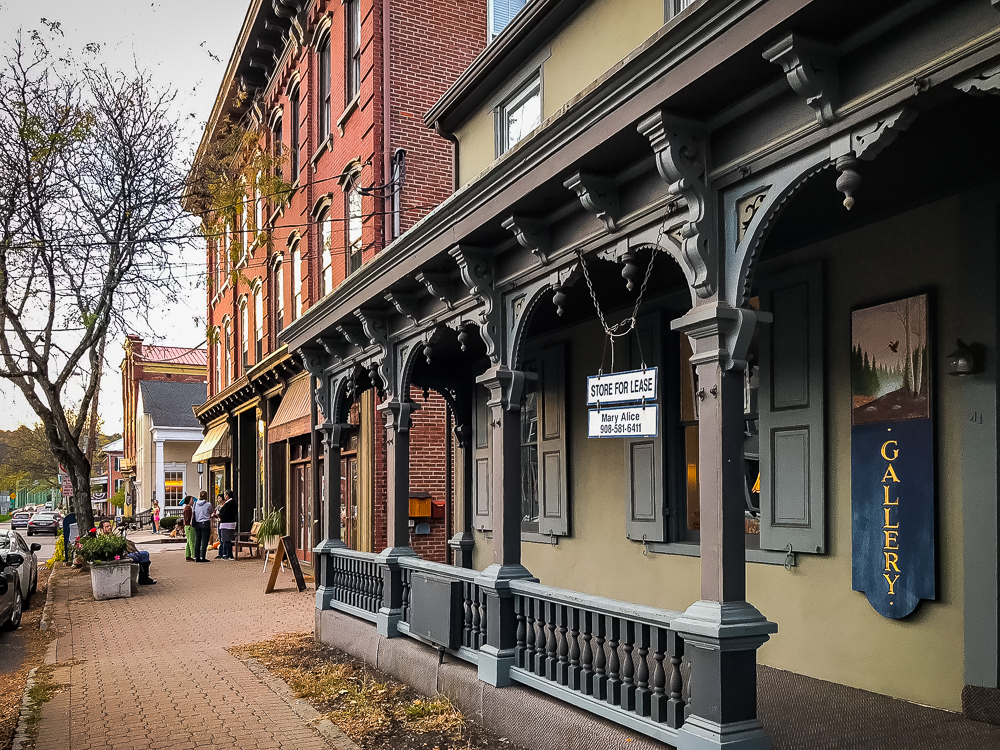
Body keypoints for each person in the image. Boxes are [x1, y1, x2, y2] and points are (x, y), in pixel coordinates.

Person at [98, 520, 156, 584]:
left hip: (123, 555)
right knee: (144, 555)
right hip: (119, 557)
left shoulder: (112, 536)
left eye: (110, 526)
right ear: (101, 529)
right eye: (107, 526)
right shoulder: (103, 539)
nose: (109, 527)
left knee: (144, 554)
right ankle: (144, 579)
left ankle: (144, 577)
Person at [193, 490, 215, 563]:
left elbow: (194, 512)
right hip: (205, 523)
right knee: (204, 541)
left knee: (197, 541)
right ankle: (203, 557)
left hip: (197, 523)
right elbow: (211, 512)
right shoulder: (208, 504)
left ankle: (197, 557)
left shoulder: (195, 504)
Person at [216, 491, 238, 560]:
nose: (224, 496)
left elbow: (226, 514)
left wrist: (219, 515)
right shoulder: (232, 503)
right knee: (227, 539)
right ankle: (227, 554)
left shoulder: (229, 504)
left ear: (227, 496)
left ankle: (227, 554)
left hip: (227, 524)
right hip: (229, 523)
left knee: (226, 539)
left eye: (225, 495)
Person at [180, 496, 195, 561]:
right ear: (189, 501)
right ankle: (193, 555)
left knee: (189, 541)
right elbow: (187, 518)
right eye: (192, 500)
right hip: (189, 526)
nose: (193, 501)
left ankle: (188, 555)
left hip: (187, 526)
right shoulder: (188, 509)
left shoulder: (187, 508)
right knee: (192, 541)